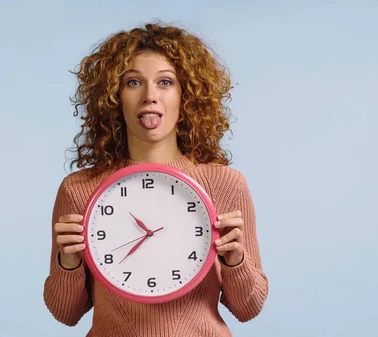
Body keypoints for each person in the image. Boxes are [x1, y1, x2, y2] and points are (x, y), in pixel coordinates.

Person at [43, 22, 269, 337]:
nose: (150, 96)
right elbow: (65, 313)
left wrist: (236, 260)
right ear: (114, 97)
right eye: (133, 82)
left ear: (186, 94)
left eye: (165, 82)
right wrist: (68, 262)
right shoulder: (80, 190)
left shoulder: (226, 185)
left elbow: (249, 308)